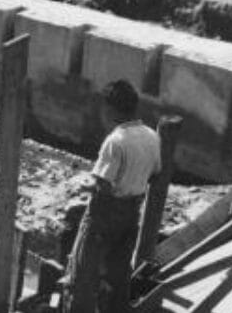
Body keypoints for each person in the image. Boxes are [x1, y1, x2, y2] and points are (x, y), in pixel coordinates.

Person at [61, 80, 161, 313]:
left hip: (105, 215)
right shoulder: (152, 136)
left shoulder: (115, 141)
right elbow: (155, 176)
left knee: (84, 273)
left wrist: (86, 186)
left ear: (111, 109)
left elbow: (104, 185)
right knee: (118, 274)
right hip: (132, 213)